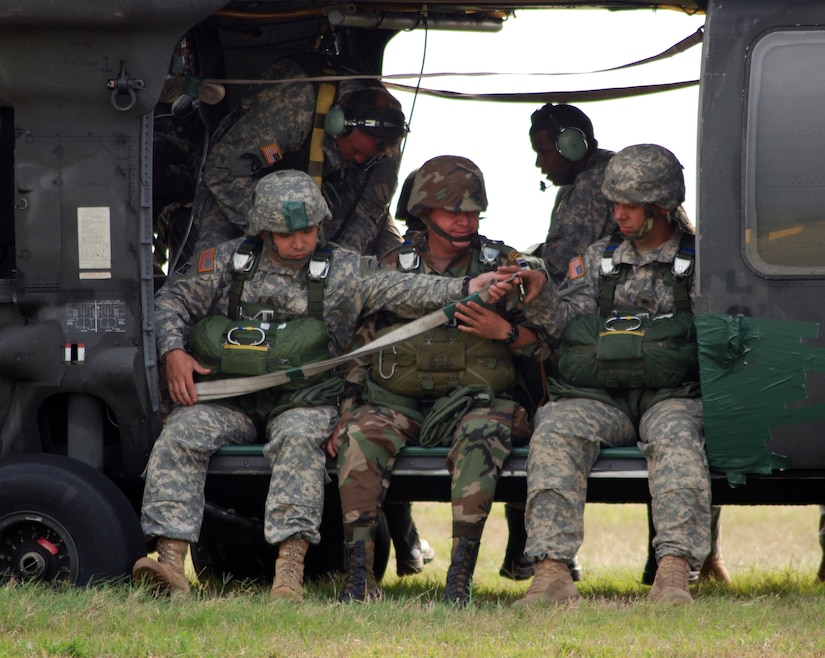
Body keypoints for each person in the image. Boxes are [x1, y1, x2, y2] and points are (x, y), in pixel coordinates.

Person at [132, 169, 512, 601]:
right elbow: (172, 300)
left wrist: (466, 287)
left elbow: (402, 287)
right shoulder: (228, 262)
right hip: (230, 399)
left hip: (304, 402)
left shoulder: (343, 269)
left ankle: (288, 574)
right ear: (263, 229)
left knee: (298, 441)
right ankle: (169, 564)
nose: (300, 242)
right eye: (286, 234)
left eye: (309, 231)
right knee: (181, 432)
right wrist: (173, 351)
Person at [326, 155, 551, 606]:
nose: (466, 222)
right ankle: (359, 579)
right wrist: (347, 412)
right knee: (359, 437)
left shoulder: (505, 266)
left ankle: (459, 580)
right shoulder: (390, 266)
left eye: (473, 213)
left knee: (482, 434)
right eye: (454, 213)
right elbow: (361, 347)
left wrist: (502, 330)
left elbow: (543, 347)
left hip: (475, 402)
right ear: (425, 214)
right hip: (397, 401)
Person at [514, 144, 711, 605]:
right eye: (614, 203)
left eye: (629, 205)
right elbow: (565, 326)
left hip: (671, 395)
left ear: (660, 206)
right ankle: (551, 575)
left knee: (678, 437)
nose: (617, 214)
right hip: (602, 398)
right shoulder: (598, 259)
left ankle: (674, 574)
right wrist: (541, 292)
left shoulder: (699, 261)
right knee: (556, 426)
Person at [192, 54, 407, 257]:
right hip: (243, 188)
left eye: (367, 156)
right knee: (213, 263)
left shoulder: (386, 145)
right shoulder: (294, 108)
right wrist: (279, 227)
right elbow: (222, 170)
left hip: (323, 200)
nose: (360, 160)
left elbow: (366, 211)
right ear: (337, 123)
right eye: (357, 150)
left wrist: (335, 267)